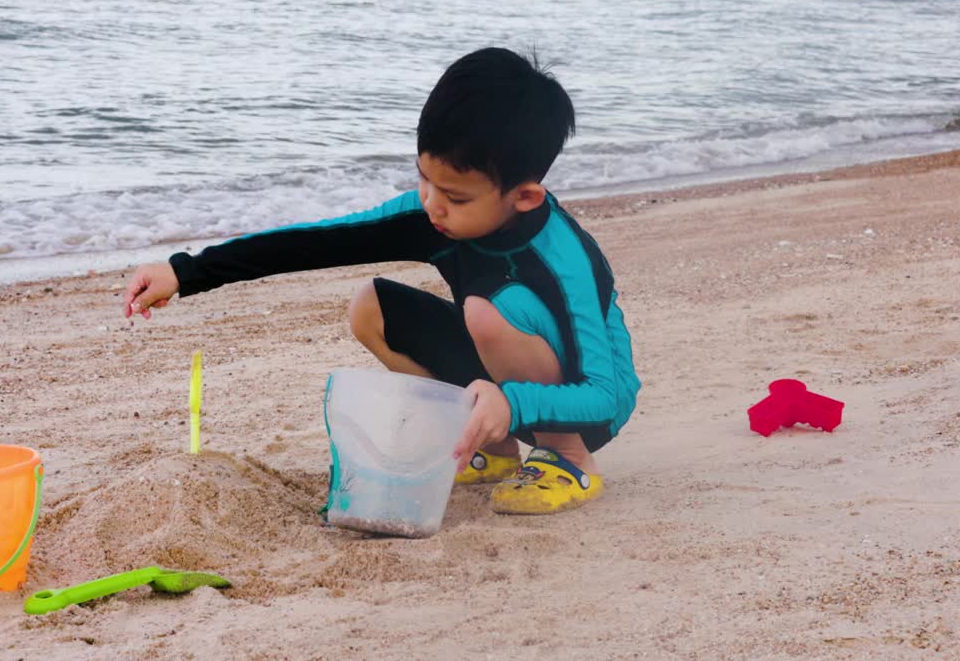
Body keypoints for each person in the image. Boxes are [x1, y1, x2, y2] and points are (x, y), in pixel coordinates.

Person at [123, 47, 640, 515]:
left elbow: (605, 393)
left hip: (582, 405)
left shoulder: (562, 257)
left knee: (486, 311)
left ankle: (566, 459)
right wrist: (185, 272)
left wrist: (515, 404)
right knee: (371, 308)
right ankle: (495, 449)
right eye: (423, 178)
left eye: (456, 197)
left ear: (523, 197)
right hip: (499, 388)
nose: (432, 204)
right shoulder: (431, 213)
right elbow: (315, 242)